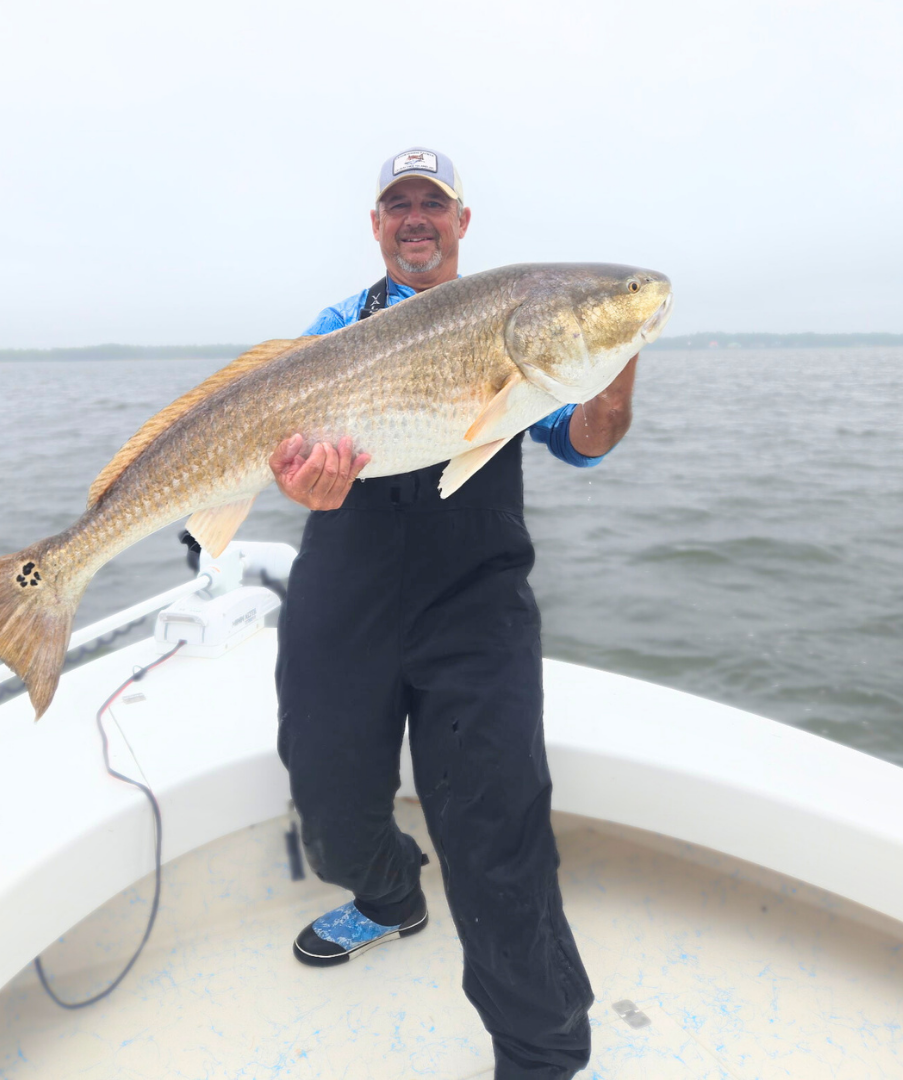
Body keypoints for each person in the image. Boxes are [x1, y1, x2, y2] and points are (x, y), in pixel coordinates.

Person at [269, 148, 637, 1080]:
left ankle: (543, 1054)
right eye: (400, 203)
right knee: (325, 794)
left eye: (435, 203)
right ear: (378, 224)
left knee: (494, 830)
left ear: (464, 223)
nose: (417, 217)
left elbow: (585, 440)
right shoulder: (332, 327)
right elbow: (280, 440)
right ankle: (390, 897)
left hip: (473, 606)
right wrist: (299, 484)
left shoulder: (521, 328)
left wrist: (616, 358)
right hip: (344, 593)